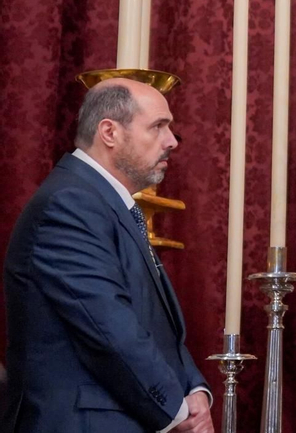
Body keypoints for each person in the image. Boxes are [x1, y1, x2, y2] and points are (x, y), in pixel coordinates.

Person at [3, 78, 213, 433]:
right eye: (158, 126)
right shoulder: (70, 204)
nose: (172, 141)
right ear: (109, 132)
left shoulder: (105, 202)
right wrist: (178, 413)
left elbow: (153, 324)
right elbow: (109, 329)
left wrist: (194, 390)